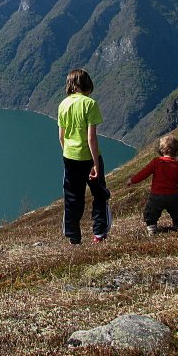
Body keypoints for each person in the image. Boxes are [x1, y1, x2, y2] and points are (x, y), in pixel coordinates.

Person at [57, 69, 112, 245]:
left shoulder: (63, 104)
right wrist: (95, 163)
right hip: (88, 158)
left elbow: (61, 136)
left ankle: (73, 236)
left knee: (72, 197)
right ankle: (99, 233)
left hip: (70, 158)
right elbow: (91, 138)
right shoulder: (90, 104)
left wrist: (68, 152)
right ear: (87, 84)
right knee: (99, 193)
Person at [126, 135, 178, 236]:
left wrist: (132, 180)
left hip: (156, 196)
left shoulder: (156, 162)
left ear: (162, 150)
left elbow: (144, 173)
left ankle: (151, 228)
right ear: (177, 151)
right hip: (173, 196)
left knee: (151, 213)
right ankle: (177, 225)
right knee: (176, 212)